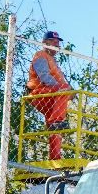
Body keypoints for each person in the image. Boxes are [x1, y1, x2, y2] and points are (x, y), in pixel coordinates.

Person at [26, 30, 74, 160]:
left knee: (55, 128)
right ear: (45, 43)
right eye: (53, 41)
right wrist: (63, 89)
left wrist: (69, 92)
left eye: (57, 42)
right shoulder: (41, 55)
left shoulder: (53, 61)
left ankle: (55, 159)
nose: (56, 44)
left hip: (52, 97)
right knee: (57, 121)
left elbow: (59, 82)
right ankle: (56, 121)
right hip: (39, 93)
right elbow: (44, 77)